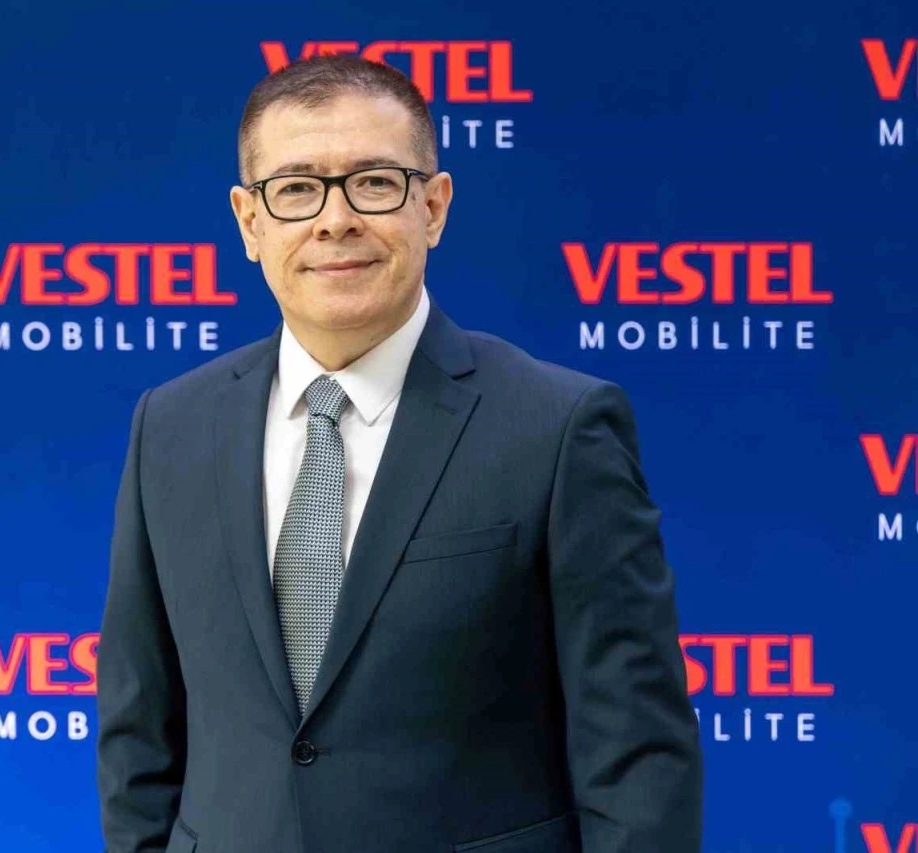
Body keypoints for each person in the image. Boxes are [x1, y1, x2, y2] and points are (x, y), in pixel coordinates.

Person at [96, 54, 703, 853]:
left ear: (434, 206)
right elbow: (138, 735)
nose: (335, 219)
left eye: (374, 183)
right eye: (297, 189)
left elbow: (637, 761)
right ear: (249, 222)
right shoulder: (170, 426)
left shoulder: (559, 428)